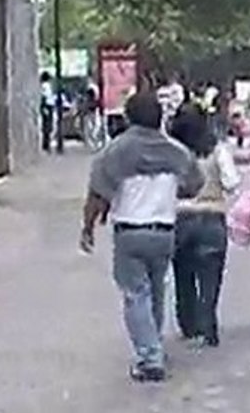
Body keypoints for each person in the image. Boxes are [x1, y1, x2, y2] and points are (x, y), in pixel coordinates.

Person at [80, 92, 204, 382]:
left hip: (130, 232)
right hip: (164, 231)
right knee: (156, 291)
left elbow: (97, 193)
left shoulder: (115, 152)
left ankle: (149, 358)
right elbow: (194, 184)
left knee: (136, 294)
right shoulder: (176, 152)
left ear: (128, 117)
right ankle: (154, 345)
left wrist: (88, 227)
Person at [169, 103, 239, 347]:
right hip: (212, 217)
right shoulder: (217, 149)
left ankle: (188, 324)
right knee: (210, 276)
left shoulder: (171, 151)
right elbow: (232, 182)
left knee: (183, 275)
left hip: (180, 218)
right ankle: (208, 326)